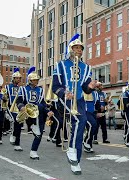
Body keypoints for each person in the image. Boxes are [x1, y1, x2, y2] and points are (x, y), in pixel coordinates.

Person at [52, 33, 97, 175]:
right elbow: (55, 86)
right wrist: (64, 93)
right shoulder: (60, 65)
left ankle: (75, 161)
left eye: (81, 48)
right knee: (80, 120)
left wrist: (90, 86)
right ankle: (72, 149)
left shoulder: (86, 67)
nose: (79, 50)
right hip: (65, 99)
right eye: (76, 48)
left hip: (79, 99)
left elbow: (85, 89)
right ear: (70, 49)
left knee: (81, 123)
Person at [17, 66, 54, 159]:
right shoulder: (23, 89)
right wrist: (21, 107)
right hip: (29, 112)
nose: (36, 81)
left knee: (40, 134)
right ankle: (31, 126)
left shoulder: (40, 90)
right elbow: (19, 101)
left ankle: (33, 151)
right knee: (37, 132)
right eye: (34, 80)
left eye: (37, 80)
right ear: (30, 80)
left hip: (40, 113)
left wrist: (48, 111)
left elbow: (42, 103)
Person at [5, 67, 24, 151]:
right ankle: (12, 133)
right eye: (17, 78)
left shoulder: (21, 88)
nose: (18, 79)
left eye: (19, 78)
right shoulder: (7, 87)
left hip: (18, 108)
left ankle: (17, 144)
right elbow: (4, 96)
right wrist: (4, 98)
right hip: (10, 107)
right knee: (15, 121)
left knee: (19, 125)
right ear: (13, 78)